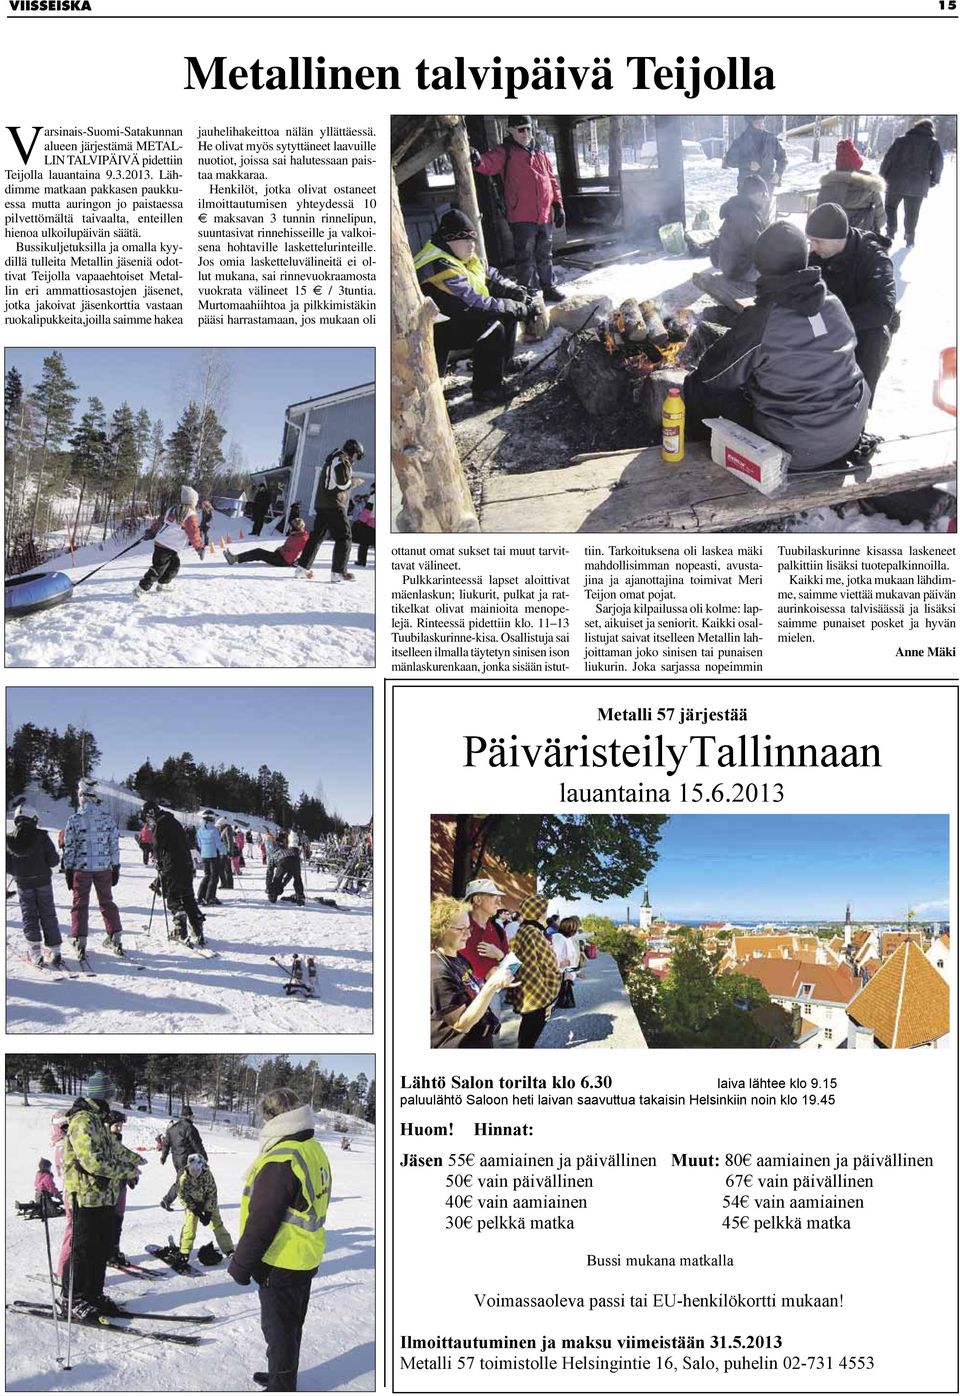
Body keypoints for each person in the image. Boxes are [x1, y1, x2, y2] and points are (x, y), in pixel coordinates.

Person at [683, 221, 869, 472]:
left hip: (797, 449)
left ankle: (696, 461)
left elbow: (713, 375)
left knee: (697, 386)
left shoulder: (764, 319)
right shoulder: (833, 302)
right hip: (849, 431)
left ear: (761, 266)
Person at [228, 1088, 333, 1393]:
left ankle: (282, 1386)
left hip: (282, 1259)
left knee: (279, 1330)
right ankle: (281, 1376)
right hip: (305, 1254)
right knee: (290, 1326)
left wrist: (241, 1265)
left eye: (265, 1117)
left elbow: (262, 1221)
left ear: (274, 1118)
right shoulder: (311, 1147)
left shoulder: (282, 1158)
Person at [414, 208, 530, 407]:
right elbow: (476, 303)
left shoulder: (459, 255)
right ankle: (487, 389)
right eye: (465, 239)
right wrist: (514, 306)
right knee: (494, 325)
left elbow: (490, 276)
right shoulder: (440, 265)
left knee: (506, 312)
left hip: (456, 315)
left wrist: (515, 292)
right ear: (449, 239)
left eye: (473, 239)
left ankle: (504, 363)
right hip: (435, 332)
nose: (472, 245)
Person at [61, 1071, 144, 1322]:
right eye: (111, 1093)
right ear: (103, 1094)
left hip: (104, 1197)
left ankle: (93, 1295)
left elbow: (113, 1147)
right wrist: (126, 1170)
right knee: (83, 1250)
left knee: (100, 1249)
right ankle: (72, 1299)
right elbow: (92, 1162)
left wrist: (136, 1160)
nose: (113, 1097)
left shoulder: (97, 1120)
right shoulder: (82, 1121)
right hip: (86, 1197)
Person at [806, 202, 899, 401]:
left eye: (817, 241)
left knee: (877, 335)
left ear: (838, 238)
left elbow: (883, 308)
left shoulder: (873, 257)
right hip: (826, 322)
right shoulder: (817, 255)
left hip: (860, 326)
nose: (812, 247)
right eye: (810, 241)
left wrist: (836, 323)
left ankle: (860, 405)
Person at [472, 115, 566, 301]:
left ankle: (549, 287)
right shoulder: (505, 151)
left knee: (545, 254)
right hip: (521, 215)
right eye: (521, 129)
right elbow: (488, 164)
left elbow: (551, 180)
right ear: (511, 131)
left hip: (545, 214)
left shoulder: (540, 152)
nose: (526, 133)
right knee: (525, 256)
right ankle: (529, 291)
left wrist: (558, 205)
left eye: (528, 129)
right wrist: (477, 160)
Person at [430, 894, 513, 1048]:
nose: (468, 934)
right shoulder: (436, 972)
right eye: (461, 929)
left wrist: (490, 978)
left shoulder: (459, 959)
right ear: (441, 929)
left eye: (469, 928)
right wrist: (491, 986)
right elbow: (461, 1023)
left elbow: (471, 994)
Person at [63, 778, 124, 960]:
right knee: (107, 901)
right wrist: (116, 865)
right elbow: (113, 844)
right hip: (103, 868)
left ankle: (80, 939)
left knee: (80, 903)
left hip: (81, 869)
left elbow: (69, 847)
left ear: (81, 797)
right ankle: (115, 936)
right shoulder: (107, 820)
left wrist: (68, 868)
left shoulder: (74, 820)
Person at [295, 438, 366, 583]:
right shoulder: (340, 461)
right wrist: (355, 482)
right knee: (345, 537)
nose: (356, 460)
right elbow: (342, 484)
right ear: (352, 452)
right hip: (333, 504)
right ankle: (338, 572)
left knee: (317, 537)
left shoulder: (334, 457)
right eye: (357, 456)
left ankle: (302, 568)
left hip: (323, 503)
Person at [6, 801, 64, 970]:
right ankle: (55, 949)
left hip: (23, 883)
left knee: (29, 916)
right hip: (43, 881)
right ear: (33, 818)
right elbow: (53, 860)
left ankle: (35, 952)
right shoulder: (42, 836)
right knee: (48, 914)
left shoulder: (9, 839)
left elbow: (7, 865)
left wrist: (18, 871)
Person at [143, 800, 207, 947]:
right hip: (186, 863)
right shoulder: (173, 821)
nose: (148, 821)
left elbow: (158, 846)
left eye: (147, 818)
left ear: (150, 814)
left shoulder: (160, 824)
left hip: (172, 864)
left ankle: (181, 930)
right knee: (187, 895)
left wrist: (158, 861)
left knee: (173, 896)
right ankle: (197, 927)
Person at [505, 894, 561, 1049]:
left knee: (527, 1026)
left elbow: (513, 956)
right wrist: (556, 979)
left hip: (524, 987)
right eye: (544, 910)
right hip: (537, 989)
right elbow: (548, 962)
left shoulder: (522, 930)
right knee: (533, 1029)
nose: (545, 913)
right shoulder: (535, 932)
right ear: (539, 912)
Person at [880, 117, 943, 247]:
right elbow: (938, 163)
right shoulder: (933, 143)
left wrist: (882, 176)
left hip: (895, 181)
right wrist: (934, 180)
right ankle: (910, 238)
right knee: (912, 212)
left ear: (915, 127)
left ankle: (890, 232)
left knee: (890, 207)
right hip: (918, 185)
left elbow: (888, 159)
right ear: (931, 129)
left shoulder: (901, 140)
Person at [134, 485, 206, 597]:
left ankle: (163, 584)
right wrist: (199, 547)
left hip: (164, 544)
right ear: (192, 501)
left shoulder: (173, 509)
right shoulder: (190, 515)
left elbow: (161, 521)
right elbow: (194, 533)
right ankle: (142, 588)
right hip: (167, 545)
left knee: (174, 565)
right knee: (158, 568)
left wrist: (152, 531)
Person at [173, 1154, 234, 1269]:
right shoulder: (184, 1178)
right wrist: (196, 1211)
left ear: (202, 1167)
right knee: (189, 1227)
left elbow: (212, 1194)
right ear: (188, 1167)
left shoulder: (207, 1176)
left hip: (207, 1202)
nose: (195, 1172)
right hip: (193, 1205)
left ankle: (229, 1250)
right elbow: (182, 1196)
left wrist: (208, 1212)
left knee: (217, 1224)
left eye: (197, 1169)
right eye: (192, 1169)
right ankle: (184, 1253)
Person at [816, 139, 885, 234]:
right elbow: (881, 220)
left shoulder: (827, 187)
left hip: (832, 241)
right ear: (857, 164)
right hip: (862, 240)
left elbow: (819, 218)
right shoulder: (870, 187)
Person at [709, 175, 768, 281]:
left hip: (729, 267)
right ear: (753, 194)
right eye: (763, 194)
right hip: (741, 271)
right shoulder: (747, 215)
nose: (766, 198)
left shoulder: (737, 207)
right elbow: (757, 248)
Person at [460, 877, 511, 981]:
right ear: (477, 900)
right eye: (494, 898)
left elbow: (510, 968)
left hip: (497, 993)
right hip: (464, 994)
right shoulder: (457, 929)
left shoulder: (499, 931)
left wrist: (499, 955)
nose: (499, 904)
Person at [160, 1104, 209, 1210]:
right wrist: (204, 1157)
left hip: (176, 1159)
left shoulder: (172, 1128)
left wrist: (163, 1156)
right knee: (182, 1181)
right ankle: (167, 1200)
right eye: (192, 1116)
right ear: (189, 1116)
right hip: (187, 1160)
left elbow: (166, 1143)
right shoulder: (190, 1128)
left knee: (188, 1180)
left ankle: (194, 1201)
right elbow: (197, 1145)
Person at [722, 115, 786, 192]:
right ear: (750, 124)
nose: (761, 125)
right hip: (747, 185)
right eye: (757, 123)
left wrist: (778, 174)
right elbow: (729, 161)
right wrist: (748, 164)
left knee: (765, 203)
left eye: (762, 122)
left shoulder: (771, 139)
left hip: (767, 185)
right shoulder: (741, 141)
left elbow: (782, 158)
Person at [224, 517, 309, 570]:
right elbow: (288, 546)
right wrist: (280, 548)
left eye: (292, 526)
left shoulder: (303, 538)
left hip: (284, 561)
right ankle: (236, 558)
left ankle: (234, 559)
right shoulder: (295, 534)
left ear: (297, 527)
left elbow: (306, 552)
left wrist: (299, 562)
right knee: (259, 552)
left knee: (259, 552)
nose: (290, 528)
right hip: (280, 555)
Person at [106, 1109, 133, 1267]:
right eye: (116, 1126)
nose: (119, 1129)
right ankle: (109, 1252)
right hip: (110, 1189)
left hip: (120, 1186)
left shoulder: (117, 1141)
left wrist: (130, 1173)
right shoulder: (107, 1142)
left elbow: (123, 1159)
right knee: (112, 1221)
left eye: (121, 1126)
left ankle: (114, 1250)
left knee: (118, 1219)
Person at [196, 809, 226, 906]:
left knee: (207, 875)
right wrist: (225, 851)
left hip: (204, 855)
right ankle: (210, 897)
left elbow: (199, 844)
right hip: (213, 855)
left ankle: (201, 896)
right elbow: (218, 844)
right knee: (214, 877)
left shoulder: (200, 830)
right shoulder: (214, 830)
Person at [553, 915, 584, 1010]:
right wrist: (563, 964)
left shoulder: (562, 937)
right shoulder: (560, 939)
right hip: (559, 973)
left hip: (564, 973)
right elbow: (555, 956)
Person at [266, 833, 305, 905]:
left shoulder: (274, 855)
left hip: (283, 860)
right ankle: (300, 897)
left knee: (277, 879)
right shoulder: (286, 850)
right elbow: (290, 874)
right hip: (296, 859)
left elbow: (269, 872)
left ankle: (273, 895)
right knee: (298, 879)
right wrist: (283, 884)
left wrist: (268, 887)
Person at [348, 482, 375, 568]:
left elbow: (368, 510)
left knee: (364, 543)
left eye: (371, 488)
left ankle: (361, 560)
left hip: (370, 522)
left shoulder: (373, 497)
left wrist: (361, 521)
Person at [216, 817, 236, 890]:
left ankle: (226, 884)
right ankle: (227, 884)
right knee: (226, 868)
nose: (218, 827)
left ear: (222, 824)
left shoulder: (227, 829)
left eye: (219, 825)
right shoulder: (223, 830)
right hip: (222, 852)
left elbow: (229, 841)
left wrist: (230, 852)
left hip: (225, 852)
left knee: (223, 868)